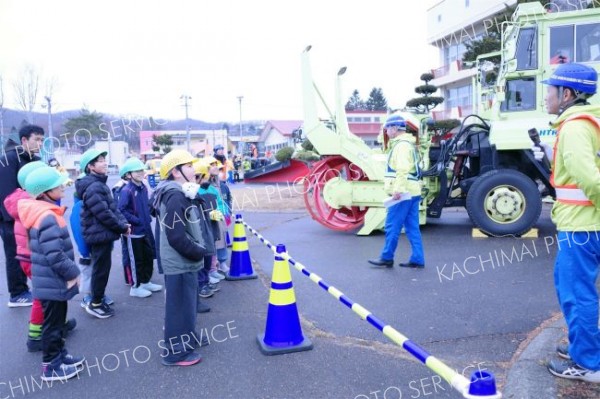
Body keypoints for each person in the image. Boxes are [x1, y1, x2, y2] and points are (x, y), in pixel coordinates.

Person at [541, 63, 600, 383]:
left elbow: (590, 179)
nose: (546, 96)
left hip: (581, 227)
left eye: (550, 90)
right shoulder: (590, 121)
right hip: (589, 224)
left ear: (567, 94)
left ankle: (588, 364)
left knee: (577, 294)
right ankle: (588, 347)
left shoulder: (575, 127)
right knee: (581, 291)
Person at [19, 166, 84, 382]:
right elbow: (54, 255)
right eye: (58, 185)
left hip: (50, 281)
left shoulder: (42, 212)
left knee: (56, 322)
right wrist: (74, 272)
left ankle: (60, 356)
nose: (63, 187)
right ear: (45, 192)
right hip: (53, 281)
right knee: (53, 325)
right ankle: (51, 366)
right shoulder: (47, 216)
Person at [150, 150, 207, 366]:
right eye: (189, 165)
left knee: (187, 304)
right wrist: (198, 251)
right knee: (179, 307)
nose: (194, 169)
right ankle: (175, 352)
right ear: (176, 171)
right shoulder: (174, 194)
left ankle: (188, 338)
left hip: (183, 260)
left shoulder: (175, 191)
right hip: (180, 261)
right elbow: (175, 236)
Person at [75, 149, 130, 319]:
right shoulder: (93, 187)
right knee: (100, 270)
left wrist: (123, 223)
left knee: (101, 269)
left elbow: (112, 208)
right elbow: (104, 213)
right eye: (99, 161)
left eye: (104, 160)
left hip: (102, 233)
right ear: (90, 167)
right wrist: (122, 227)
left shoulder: (99, 184)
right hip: (99, 234)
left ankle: (97, 299)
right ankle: (96, 303)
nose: (104, 163)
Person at [368, 114, 425, 269]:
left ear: (394, 128)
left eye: (387, 128)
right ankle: (418, 258)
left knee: (392, 225)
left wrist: (397, 190)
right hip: (413, 192)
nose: (386, 131)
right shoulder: (408, 144)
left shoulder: (401, 146)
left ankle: (387, 257)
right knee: (412, 227)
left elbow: (402, 169)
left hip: (403, 193)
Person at [0, 125, 44, 307]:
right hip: (10, 219)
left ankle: (26, 289)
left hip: (29, 216)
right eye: (37, 139)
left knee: (28, 254)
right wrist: (13, 220)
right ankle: (17, 293)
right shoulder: (9, 159)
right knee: (14, 255)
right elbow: (6, 194)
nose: (40, 143)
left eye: (42, 140)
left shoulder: (34, 160)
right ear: (24, 140)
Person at [117, 157, 162, 298]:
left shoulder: (143, 187)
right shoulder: (127, 190)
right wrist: (137, 220)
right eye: (136, 171)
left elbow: (147, 205)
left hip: (145, 229)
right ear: (129, 174)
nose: (140, 173)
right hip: (134, 232)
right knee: (136, 260)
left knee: (148, 256)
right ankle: (135, 287)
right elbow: (121, 210)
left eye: (141, 170)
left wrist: (148, 216)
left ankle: (145, 281)